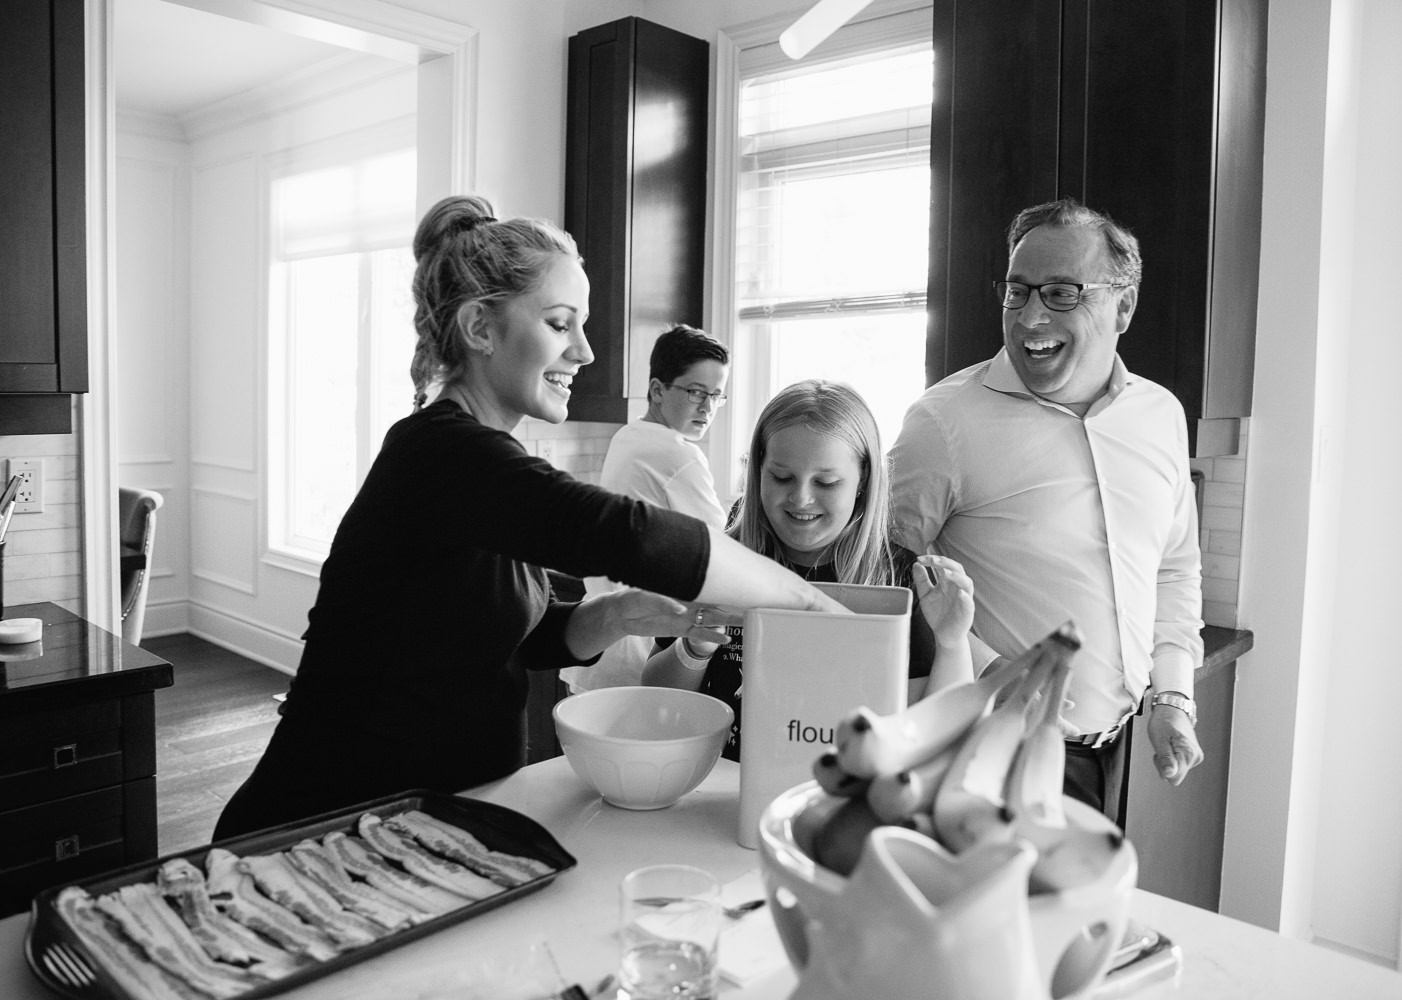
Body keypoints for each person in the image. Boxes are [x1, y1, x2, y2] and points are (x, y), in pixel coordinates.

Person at [214, 196, 841, 838]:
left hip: (423, 818)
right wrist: (808, 602)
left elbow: (513, 635)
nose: (586, 352)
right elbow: (619, 532)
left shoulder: (478, 459)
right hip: (326, 826)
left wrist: (619, 614)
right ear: (481, 328)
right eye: (560, 323)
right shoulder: (440, 451)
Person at [888, 197, 1204, 820]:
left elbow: (1173, 570)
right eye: (1018, 290)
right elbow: (885, 571)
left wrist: (1172, 697)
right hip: (984, 752)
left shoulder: (1161, 415)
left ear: (1124, 306)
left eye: (1062, 293)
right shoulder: (944, 422)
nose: (1031, 316)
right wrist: (998, 673)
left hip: (1111, 751)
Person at [644, 379, 977, 760]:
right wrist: (695, 647)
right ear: (758, 471)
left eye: (826, 482)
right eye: (782, 477)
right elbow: (655, 699)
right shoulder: (720, 563)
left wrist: (952, 642)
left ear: (863, 480)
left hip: (842, 797)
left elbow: (927, 733)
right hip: (722, 788)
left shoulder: (899, 580)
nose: (801, 498)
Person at [560, 324, 730, 694]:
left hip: (600, 646)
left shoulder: (629, 435)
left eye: (717, 396)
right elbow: (724, 549)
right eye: (696, 392)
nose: (708, 407)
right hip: (637, 654)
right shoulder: (677, 453)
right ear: (657, 390)